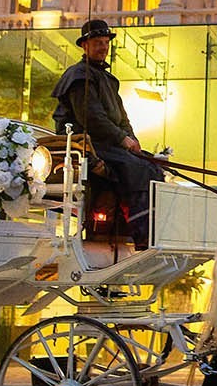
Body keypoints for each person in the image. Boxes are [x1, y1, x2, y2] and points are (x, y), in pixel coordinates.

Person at [51, 18, 160, 245]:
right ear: (84, 45)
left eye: (105, 42)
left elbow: (122, 117)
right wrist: (123, 139)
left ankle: (138, 226)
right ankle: (140, 233)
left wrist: (132, 139)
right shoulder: (79, 76)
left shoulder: (109, 79)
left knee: (153, 164)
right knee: (138, 168)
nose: (103, 47)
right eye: (98, 42)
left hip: (109, 143)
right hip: (88, 143)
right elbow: (92, 118)